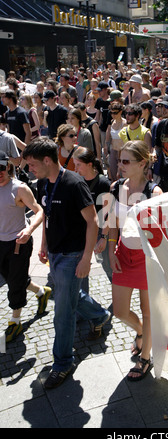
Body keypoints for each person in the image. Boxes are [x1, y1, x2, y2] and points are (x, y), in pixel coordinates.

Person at [23, 137, 111, 389]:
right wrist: (43, 246)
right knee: (67, 294)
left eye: (32, 164)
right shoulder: (43, 183)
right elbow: (48, 215)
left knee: (62, 312)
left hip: (73, 256)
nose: (29, 168)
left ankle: (62, 363)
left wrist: (85, 258)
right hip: (55, 253)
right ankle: (100, 315)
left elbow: (93, 221)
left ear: (47, 160)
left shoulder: (74, 183)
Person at [108, 140, 163, 381]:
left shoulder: (155, 192)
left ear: (142, 163)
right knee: (119, 310)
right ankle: (140, 332)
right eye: (120, 160)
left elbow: (163, 231)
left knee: (148, 311)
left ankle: (145, 358)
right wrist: (110, 250)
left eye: (126, 161)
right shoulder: (115, 187)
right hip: (122, 253)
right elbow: (111, 222)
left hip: (147, 257)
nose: (120, 165)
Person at [0, 151, 51, 343]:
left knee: (14, 283)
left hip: (18, 244)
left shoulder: (19, 188)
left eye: (1, 168)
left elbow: (39, 211)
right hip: (0, 244)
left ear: (8, 167)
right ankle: (41, 291)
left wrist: (29, 230)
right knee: (14, 278)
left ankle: (15, 321)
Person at [73, 146, 112, 284]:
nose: (75, 169)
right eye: (74, 165)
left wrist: (103, 237)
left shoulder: (103, 183)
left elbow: (109, 213)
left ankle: (119, 298)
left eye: (79, 165)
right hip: (83, 231)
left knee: (108, 267)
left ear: (90, 165)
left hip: (101, 232)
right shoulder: (77, 182)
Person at [104, 102, 126, 181]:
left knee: (121, 174)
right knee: (113, 173)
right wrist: (106, 145)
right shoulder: (112, 122)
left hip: (122, 151)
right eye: (111, 113)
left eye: (115, 113)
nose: (113, 115)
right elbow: (108, 132)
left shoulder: (125, 123)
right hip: (113, 150)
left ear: (120, 112)